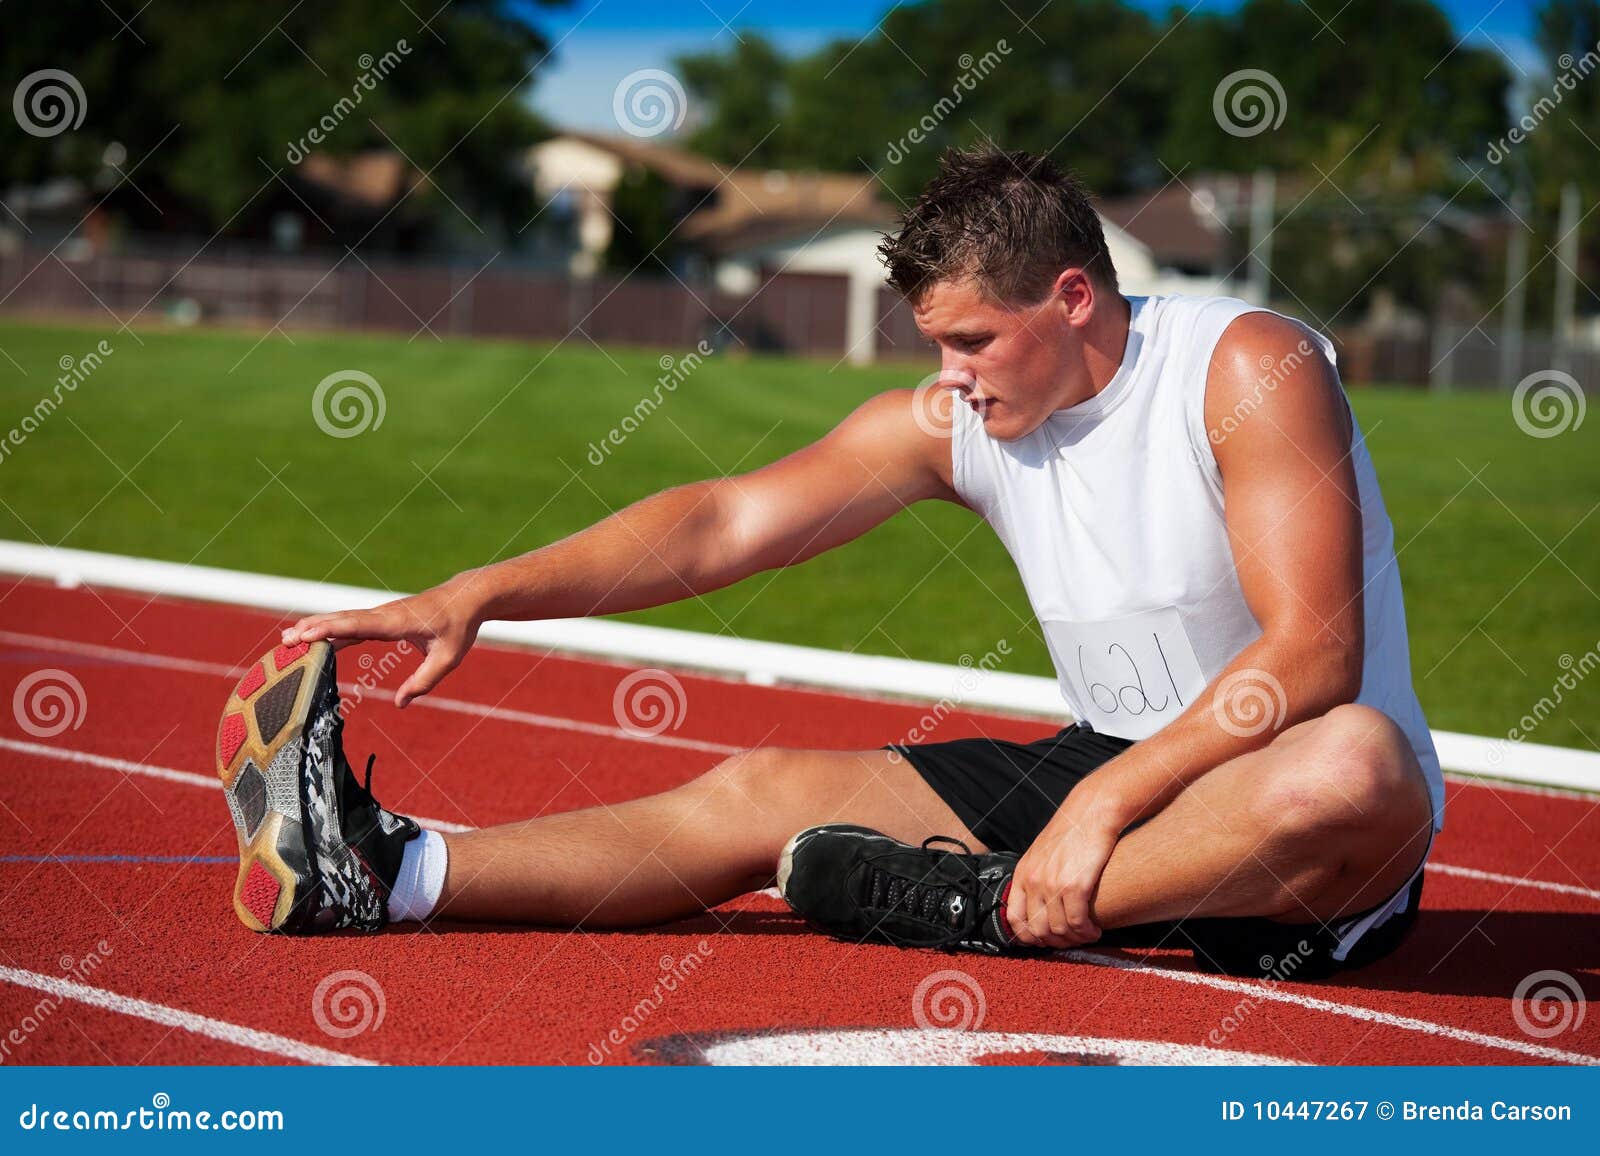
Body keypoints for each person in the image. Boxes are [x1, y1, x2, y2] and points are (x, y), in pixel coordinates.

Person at [214, 146, 1439, 979]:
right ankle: (384, 870)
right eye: (937, 345)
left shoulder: (1245, 366)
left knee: (1352, 763)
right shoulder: (953, 418)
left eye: (972, 341)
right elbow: (720, 523)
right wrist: (480, 593)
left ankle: (973, 907)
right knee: (763, 787)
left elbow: (1313, 655)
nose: (949, 376)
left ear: (1073, 297)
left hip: (1282, 828)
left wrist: (1101, 812)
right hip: (1109, 766)